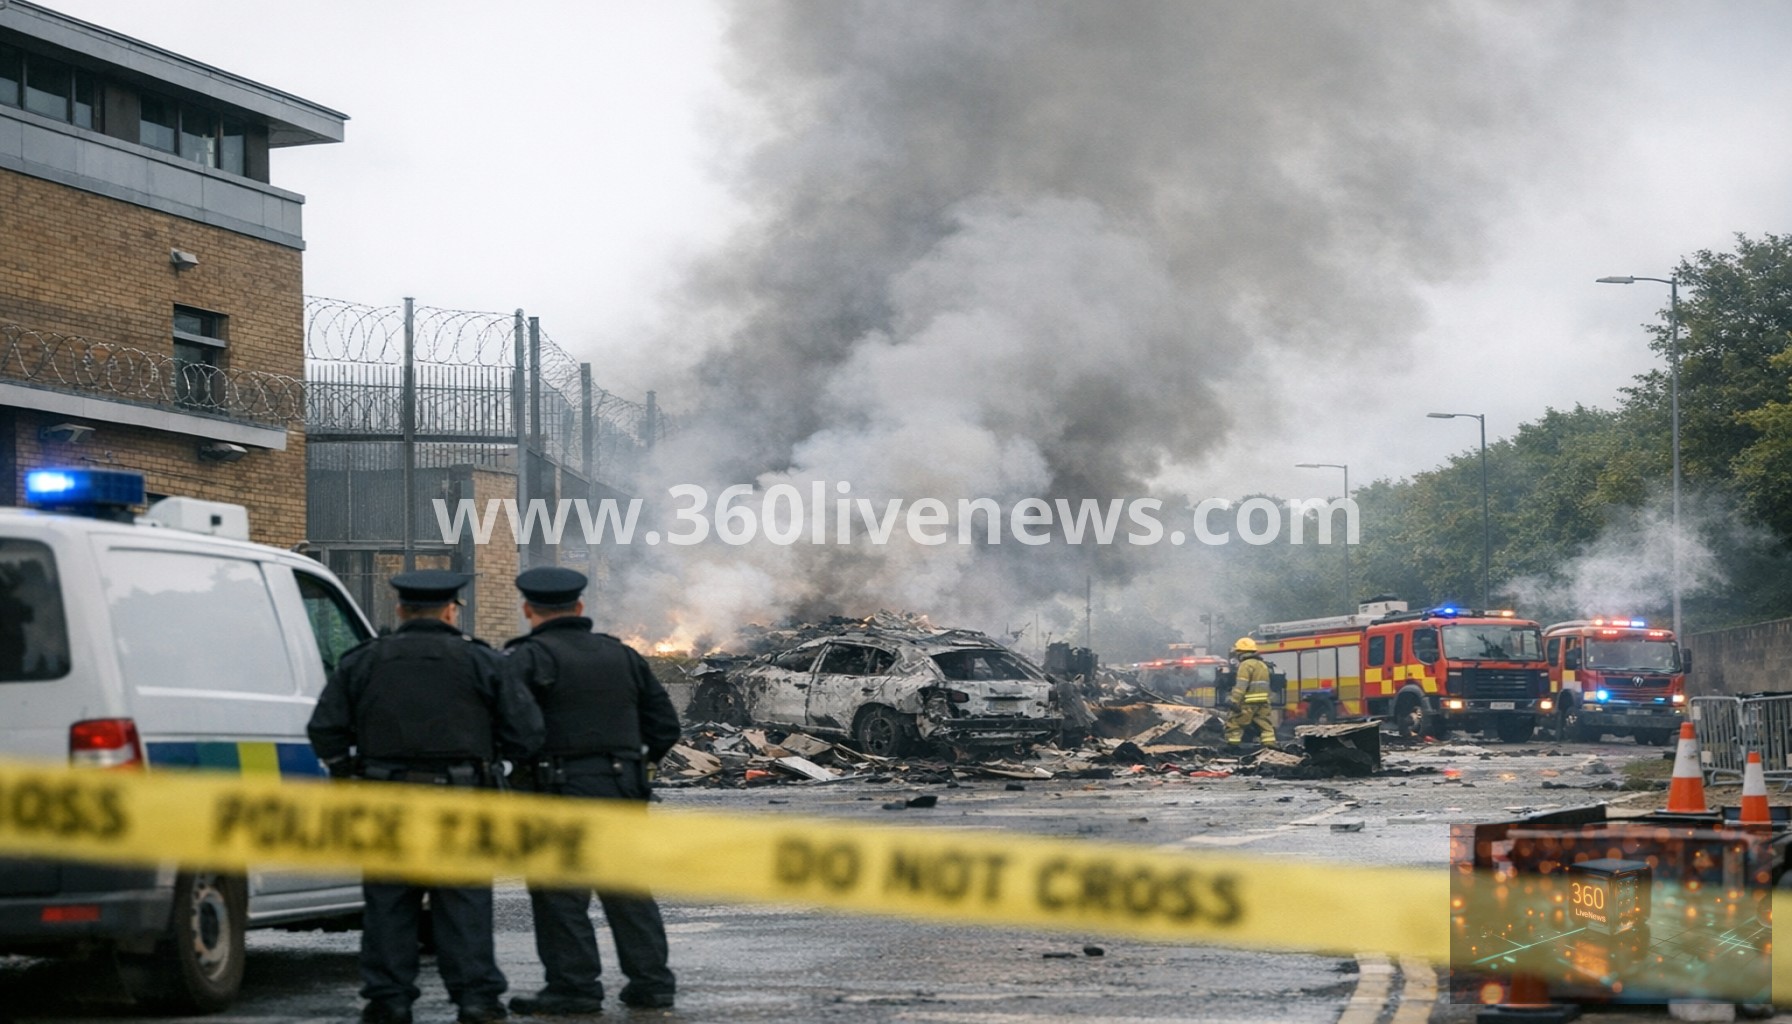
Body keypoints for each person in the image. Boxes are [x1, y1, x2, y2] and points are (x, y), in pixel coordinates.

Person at [307, 570, 545, 1024]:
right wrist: (494, 762)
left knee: (388, 904)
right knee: (464, 904)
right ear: (451, 610)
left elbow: (325, 728)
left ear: (400, 610)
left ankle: (389, 1000)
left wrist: (347, 776)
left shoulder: (364, 660)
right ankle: (476, 999)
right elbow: (527, 732)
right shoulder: (482, 661)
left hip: (385, 799)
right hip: (461, 799)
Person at [503, 566, 681, 1016]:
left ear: (528, 609)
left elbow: (514, 730)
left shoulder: (525, 658)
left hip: (555, 791)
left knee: (561, 895)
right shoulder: (621, 655)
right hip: (621, 789)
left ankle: (574, 988)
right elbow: (665, 726)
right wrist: (634, 767)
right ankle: (652, 984)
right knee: (628, 891)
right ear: (580, 607)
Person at [1223, 636, 1277, 750]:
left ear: (1241, 652)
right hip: (1263, 702)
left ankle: (1233, 747)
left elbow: (1241, 685)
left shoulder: (1245, 665)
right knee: (1264, 724)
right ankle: (1270, 745)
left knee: (1235, 722)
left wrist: (1233, 700)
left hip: (1248, 702)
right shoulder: (1262, 665)